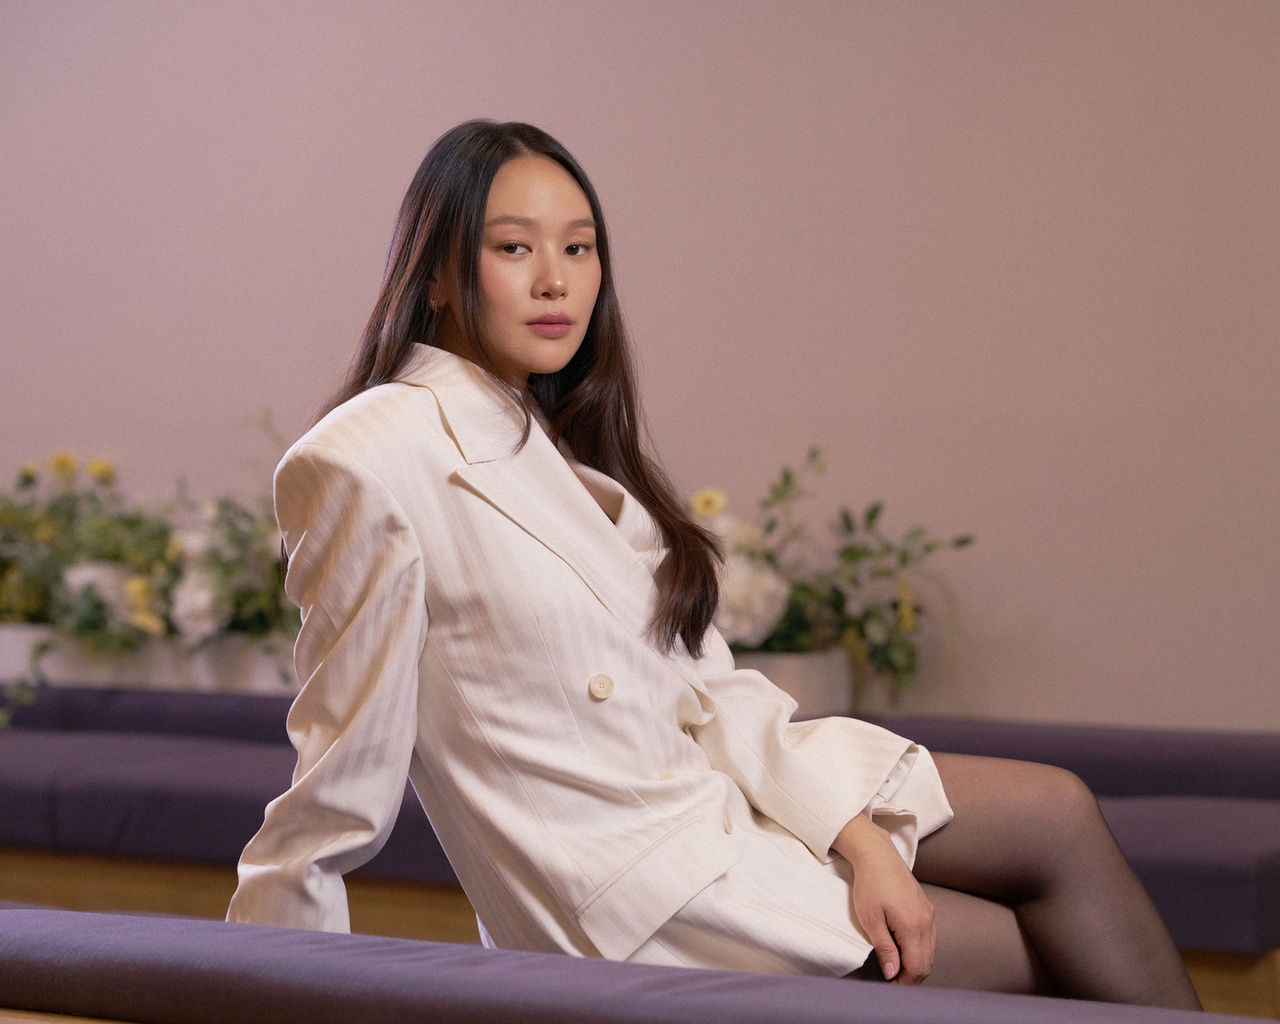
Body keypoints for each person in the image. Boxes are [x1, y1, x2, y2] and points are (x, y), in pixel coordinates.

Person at [227, 119, 1200, 1008]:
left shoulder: (565, 453)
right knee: (1047, 956)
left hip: (717, 817)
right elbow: (335, 782)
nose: (555, 280)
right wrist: (255, 987)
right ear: (436, 273)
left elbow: (710, 693)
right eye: (513, 248)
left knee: (1058, 811)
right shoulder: (368, 455)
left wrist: (857, 839)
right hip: (638, 899)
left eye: (579, 248)